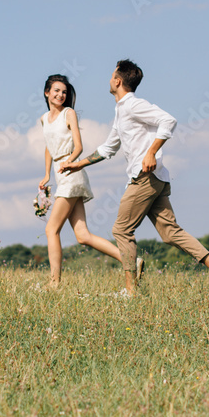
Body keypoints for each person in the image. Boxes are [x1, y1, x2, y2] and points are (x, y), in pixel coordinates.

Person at [60, 60, 209, 297]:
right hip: (155, 179)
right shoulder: (121, 111)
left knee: (121, 230)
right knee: (170, 232)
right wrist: (76, 164)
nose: (110, 78)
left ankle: (131, 291)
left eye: (112, 75)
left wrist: (151, 151)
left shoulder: (133, 106)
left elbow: (168, 120)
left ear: (118, 81)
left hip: (145, 177)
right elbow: (108, 148)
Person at [38, 74, 137, 288]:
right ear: (47, 92)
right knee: (83, 235)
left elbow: (79, 146)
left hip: (71, 173)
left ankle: (54, 283)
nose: (61, 95)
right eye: (56, 91)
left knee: (51, 230)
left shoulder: (69, 113)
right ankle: (131, 261)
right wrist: (46, 174)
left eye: (64, 92)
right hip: (59, 172)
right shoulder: (44, 119)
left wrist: (69, 162)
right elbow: (48, 146)